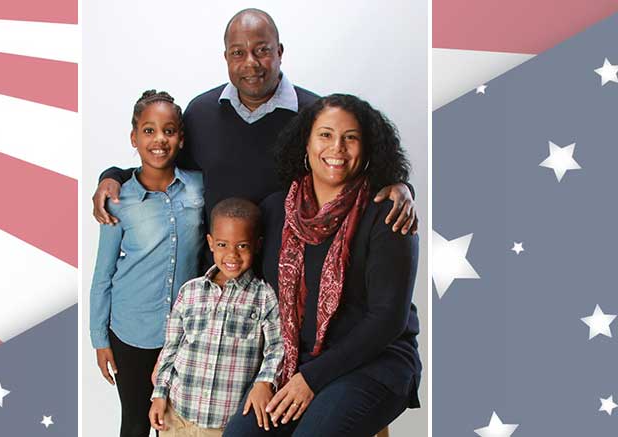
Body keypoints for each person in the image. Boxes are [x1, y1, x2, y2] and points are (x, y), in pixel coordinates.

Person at [93, 8, 418, 238]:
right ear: (226, 58)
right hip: (219, 277)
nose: (250, 63)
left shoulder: (316, 114)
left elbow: (352, 167)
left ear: (279, 51)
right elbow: (164, 170)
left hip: (295, 279)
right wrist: (114, 177)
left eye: (262, 50)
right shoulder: (201, 112)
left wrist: (402, 186)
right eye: (238, 53)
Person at [223, 94, 421, 436]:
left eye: (351, 137)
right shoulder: (275, 210)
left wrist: (311, 379)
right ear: (307, 142)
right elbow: (249, 286)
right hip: (295, 363)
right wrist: (265, 376)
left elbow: (388, 320)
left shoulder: (388, 214)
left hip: (374, 364)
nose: (337, 148)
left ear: (368, 147)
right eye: (326, 135)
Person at [89, 90, 204, 437]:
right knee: (137, 423)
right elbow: (103, 274)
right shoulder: (118, 199)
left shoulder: (200, 188)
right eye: (149, 130)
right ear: (134, 137)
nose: (159, 139)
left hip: (187, 333)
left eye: (169, 130)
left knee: (176, 425)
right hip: (132, 332)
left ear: (181, 138)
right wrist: (99, 339)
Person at [149, 198, 284, 436]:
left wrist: (265, 381)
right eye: (222, 244)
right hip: (177, 416)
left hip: (224, 424)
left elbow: (277, 347)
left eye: (242, 246)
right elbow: (171, 348)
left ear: (257, 245)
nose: (231, 254)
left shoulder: (264, 296)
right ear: (210, 243)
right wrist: (160, 394)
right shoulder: (190, 292)